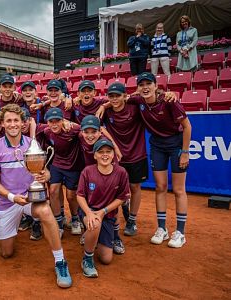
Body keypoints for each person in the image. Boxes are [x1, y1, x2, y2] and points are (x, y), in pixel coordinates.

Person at [0, 103, 72, 289]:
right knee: (6, 253)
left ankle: (60, 262)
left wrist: (46, 175)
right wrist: (11, 197)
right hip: (8, 201)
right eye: (8, 120)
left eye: (16, 120)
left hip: (30, 198)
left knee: (46, 211)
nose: (12, 124)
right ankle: (12, 228)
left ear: (23, 122)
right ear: (2, 123)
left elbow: (45, 171)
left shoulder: (32, 144)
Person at [129, 72, 191, 248]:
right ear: (138, 88)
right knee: (160, 187)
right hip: (157, 145)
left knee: (178, 189)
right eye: (141, 84)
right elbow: (119, 99)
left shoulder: (170, 101)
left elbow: (187, 127)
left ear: (156, 86)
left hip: (176, 144)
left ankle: (180, 232)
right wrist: (104, 106)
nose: (145, 87)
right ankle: (162, 229)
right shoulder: (138, 101)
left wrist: (185, 152)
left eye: (149, 83)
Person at [77, 139, 131, 278]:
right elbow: (80, 196)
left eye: (108, 152)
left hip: (107, 214)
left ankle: (96, 235)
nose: (105, 155)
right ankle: (87, 259)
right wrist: (89, 213)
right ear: (94, 155)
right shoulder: (87, 171)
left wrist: (103, 211)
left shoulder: (121, 172)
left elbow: (122, 197)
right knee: (94, 223)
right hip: (88, 209)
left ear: (113, 154)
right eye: (100, 152)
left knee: (106, 259)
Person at [102, 83, 147, 237]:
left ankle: (132, 220)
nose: (114, 99)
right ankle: (113, 221)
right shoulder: (106, 111)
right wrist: (115, 147)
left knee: (134, 187)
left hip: (137, 155)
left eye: (117, 95)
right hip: (117, 157)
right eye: (111, 96)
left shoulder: (135, 108)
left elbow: (144, 95)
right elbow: (99, 127)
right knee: (115, 188)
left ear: (124, 96)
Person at [43, 107, 83, 237]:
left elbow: (85, 128)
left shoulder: (73, 129)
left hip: (73, 166)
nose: (54, 124)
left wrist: (70, 123)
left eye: (57, 121)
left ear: (63, 120)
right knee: (53, 191)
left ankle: (75, 219)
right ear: (47, 122)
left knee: (71, 196)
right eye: (51, 121)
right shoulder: (46, 131)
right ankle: (58, 222)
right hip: (57, 164)